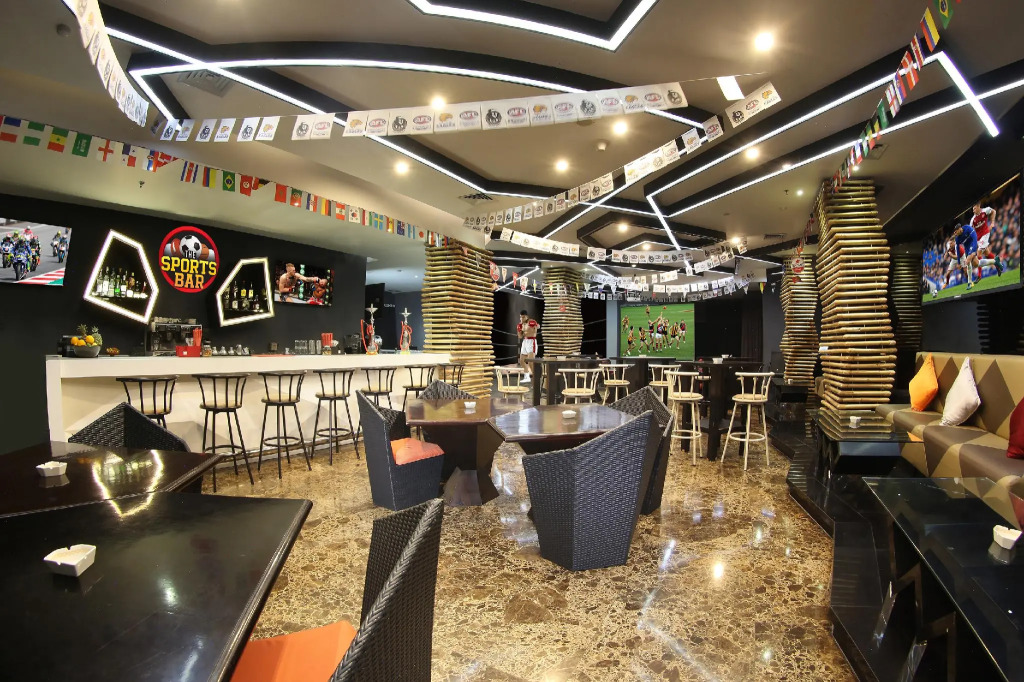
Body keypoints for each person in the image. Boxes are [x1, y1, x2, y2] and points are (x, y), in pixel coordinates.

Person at [969, 203, 1004, 279]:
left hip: (985, 234)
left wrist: (992, 223)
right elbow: (971, 231)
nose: (973, 211)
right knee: (987, 253)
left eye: (974, 209)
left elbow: (993, 211)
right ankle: (997, 264)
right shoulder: (972, 220)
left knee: (979, 252)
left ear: (979, 206)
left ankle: (979, 275)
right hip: (979, 239)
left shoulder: (985, 210)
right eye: (972, 209)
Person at [517, 310, 540, 383]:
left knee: (530, 362)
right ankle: (527, 377)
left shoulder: (531, 322)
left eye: (523, 317)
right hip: (525, 341)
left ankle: (536, 379)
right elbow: (520, 337)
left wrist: (535, 326)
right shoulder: (520, 325)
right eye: (520, 317)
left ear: (527, 317)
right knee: (521, 361)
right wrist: (519, 330)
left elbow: (538, 326)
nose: (522, 318)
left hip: (531, 341)